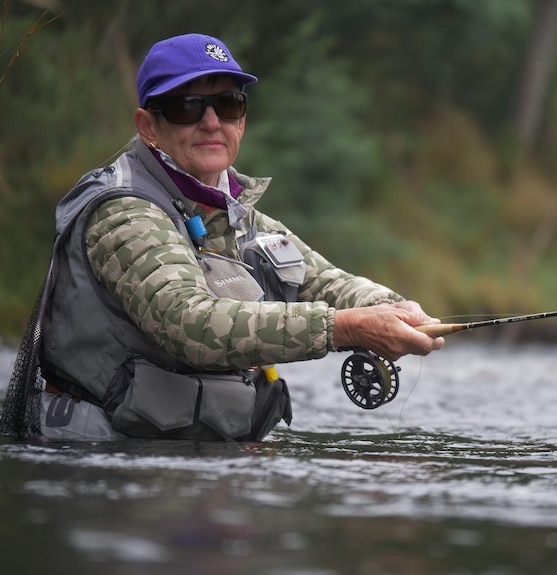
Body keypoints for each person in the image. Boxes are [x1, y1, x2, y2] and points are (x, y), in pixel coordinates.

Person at [28, 33, 444, 441]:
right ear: (148, 126)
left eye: (227, 104)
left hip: (187, 464)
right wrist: (347, 328)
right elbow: (189, 324)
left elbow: (323, 282)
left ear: (241, 122)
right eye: (187, 107)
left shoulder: (234, 214)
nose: (211, 122)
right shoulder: (122, 213)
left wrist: (392, 309)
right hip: (98, 458)